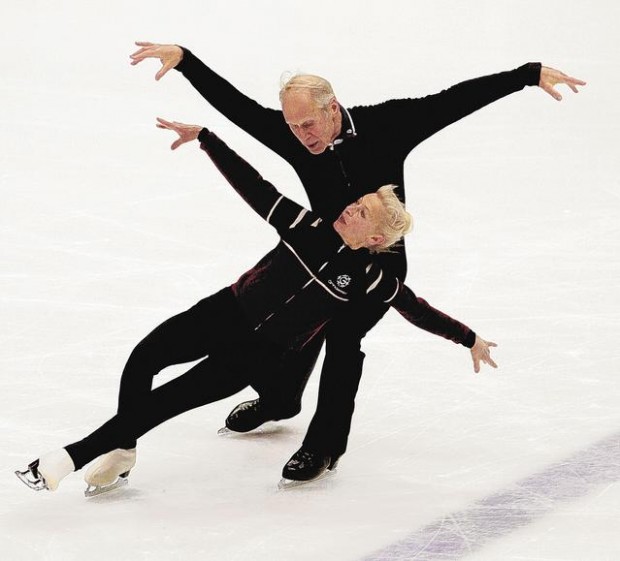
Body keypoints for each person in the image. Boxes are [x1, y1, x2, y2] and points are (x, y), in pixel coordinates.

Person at [129, 42, 584, 482]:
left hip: (380, 264)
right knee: (292, 328)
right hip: (320, 254)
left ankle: (324, 445)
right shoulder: (295, 134)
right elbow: (239, 109)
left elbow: (452, 101)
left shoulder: (388, 125)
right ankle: (281, 399)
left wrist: (526, 75)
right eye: (292, 127)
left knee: (344, 338)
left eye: (309, 123)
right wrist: (187, 62)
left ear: (332, 109)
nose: (302, 136)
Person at [15, 121, 497, 495]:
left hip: (257, 353)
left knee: (166, 402)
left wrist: (468, 337)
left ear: (374, 238)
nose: (351, 206)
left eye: (362, 209)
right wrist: (207, 139)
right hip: (223, 311)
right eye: (358, 201)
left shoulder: (371, 279)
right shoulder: (307, 226)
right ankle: (121, 449)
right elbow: (256, 187)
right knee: (144, 358)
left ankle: (64, 460)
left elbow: (417, 310)